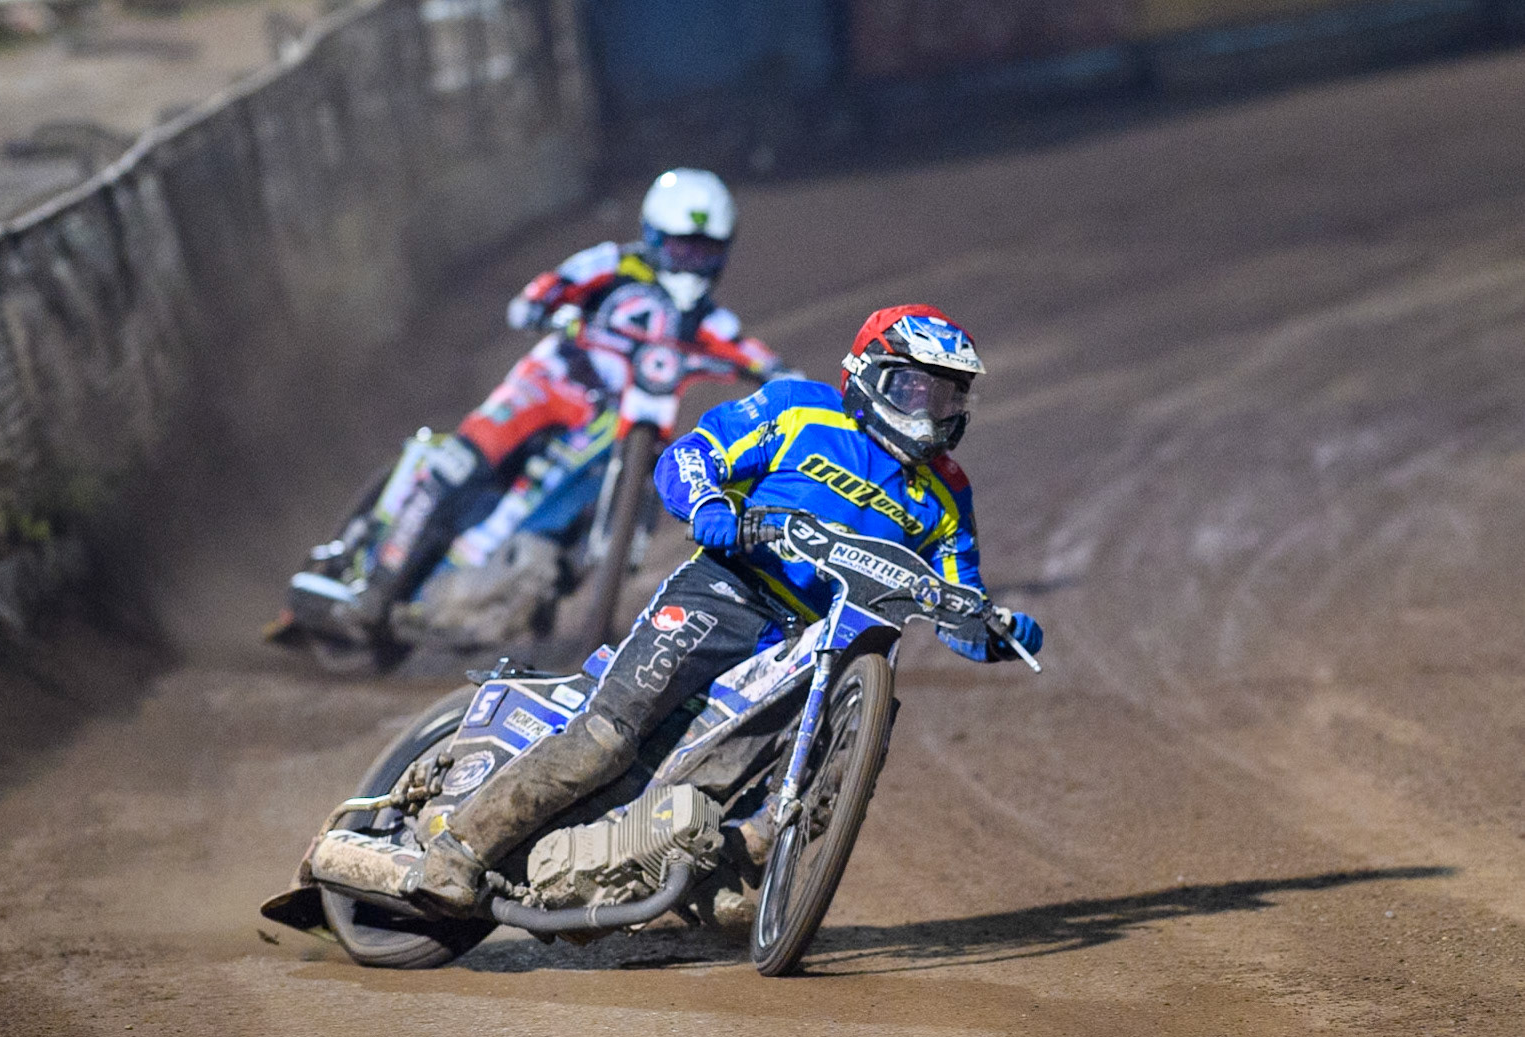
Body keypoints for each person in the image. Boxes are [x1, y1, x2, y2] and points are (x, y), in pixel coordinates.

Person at [410, 303, 1044, 913]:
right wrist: (712, 507)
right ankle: (458, 849)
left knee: (742, 779)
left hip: (813, 647)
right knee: (607, 739)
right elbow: (690, 455)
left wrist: (997, 632)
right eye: (917, 391)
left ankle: (732, 878)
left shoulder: (949, 492)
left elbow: (960, 596)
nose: (933, 414)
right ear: (869, 375)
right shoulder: (799, 407)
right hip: (727, 590)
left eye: (950, 397)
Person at [338, 167, 786, 632]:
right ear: (654, 235)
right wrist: (542, 306)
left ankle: (546, 581)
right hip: (550, 385)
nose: (692, 262)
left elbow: (756, 355)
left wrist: (781, 380)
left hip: (617, 421)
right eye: (681, 247)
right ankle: (377, 587)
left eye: (705, 252)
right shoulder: (612, 265)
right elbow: (545, 290)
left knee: (653, 476)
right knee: (460, 462)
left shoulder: (710, 321)